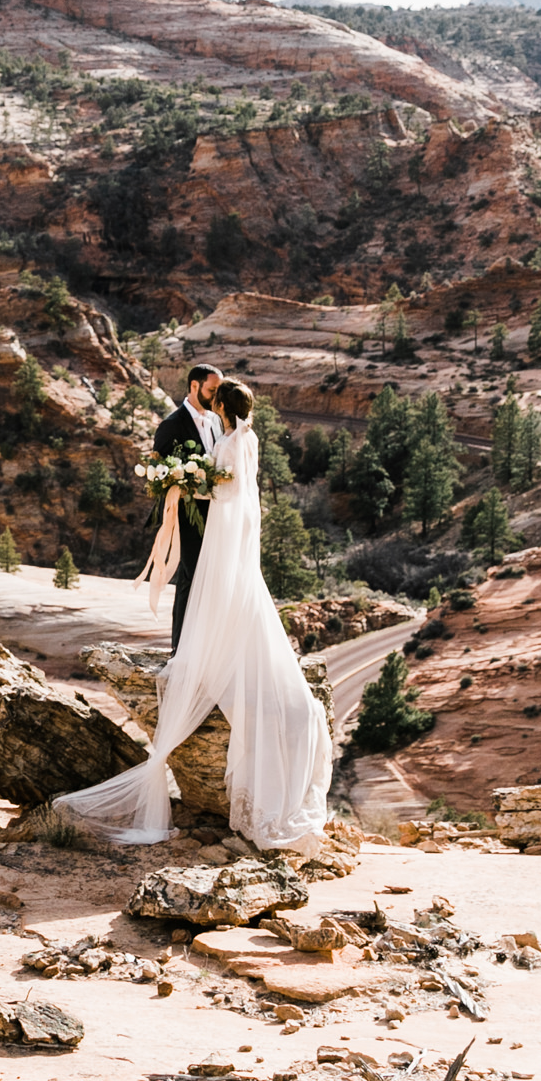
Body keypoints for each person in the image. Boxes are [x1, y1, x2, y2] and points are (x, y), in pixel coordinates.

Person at [54, 374, 333, 852]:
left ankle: (202, 651)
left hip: (222, 529)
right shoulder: (248, 439)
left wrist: (182, 483)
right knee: (234, 593)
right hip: (238, 529)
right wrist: (178, 481)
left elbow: (220, 491)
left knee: (209, 591)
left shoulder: (226, 441)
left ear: (222, 405)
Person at [151, 365, 230, 649]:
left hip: (216, 515)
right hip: (187, 515)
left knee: (214, 581)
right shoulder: (172, 424)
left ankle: (207, 648)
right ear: (194, 386)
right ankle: (180, 649)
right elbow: (157, 473)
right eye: (212, 390)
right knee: (190, 578)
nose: (216, 396)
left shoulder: (217, 422)